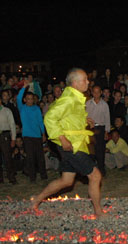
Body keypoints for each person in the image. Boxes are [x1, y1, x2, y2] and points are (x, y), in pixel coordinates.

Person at [32, 68, 105, 218]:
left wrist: (83, 120)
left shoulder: (75, 97)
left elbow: (67, 116)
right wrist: (62, 139)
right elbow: (50, 118)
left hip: (74, 143)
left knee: (66, 181)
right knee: (95, 176)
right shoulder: (69, 98)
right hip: (71, 145)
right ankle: (98, 212)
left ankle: (36, 200)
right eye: (85, 79)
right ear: (75, 82)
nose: (88, 82)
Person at [17, 79, 48, 183]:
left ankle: (43, 175)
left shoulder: (36, 109)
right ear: (25, 100)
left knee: (40, 157)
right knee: (30, 157)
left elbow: (40, 122)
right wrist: (24, 88)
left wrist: (43, 133)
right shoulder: (22, 108)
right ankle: (32, 177)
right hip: (27, 136)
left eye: (31, 99)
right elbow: (18, 98)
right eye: (28, 99)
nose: (30, 100)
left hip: (37, 136)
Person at [86, 85, 110, 176]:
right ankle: (91, 171)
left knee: (100, 150)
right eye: (94, 92)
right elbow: (85, 117)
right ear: (92, 93)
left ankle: (101, 170)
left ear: (101, 93)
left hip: (100, 128)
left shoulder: (104, 104)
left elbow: (107, 118)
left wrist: (106, 131)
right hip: (90, 129)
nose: (96, 94)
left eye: (98, 92)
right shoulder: (88, 103)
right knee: (91, 151)